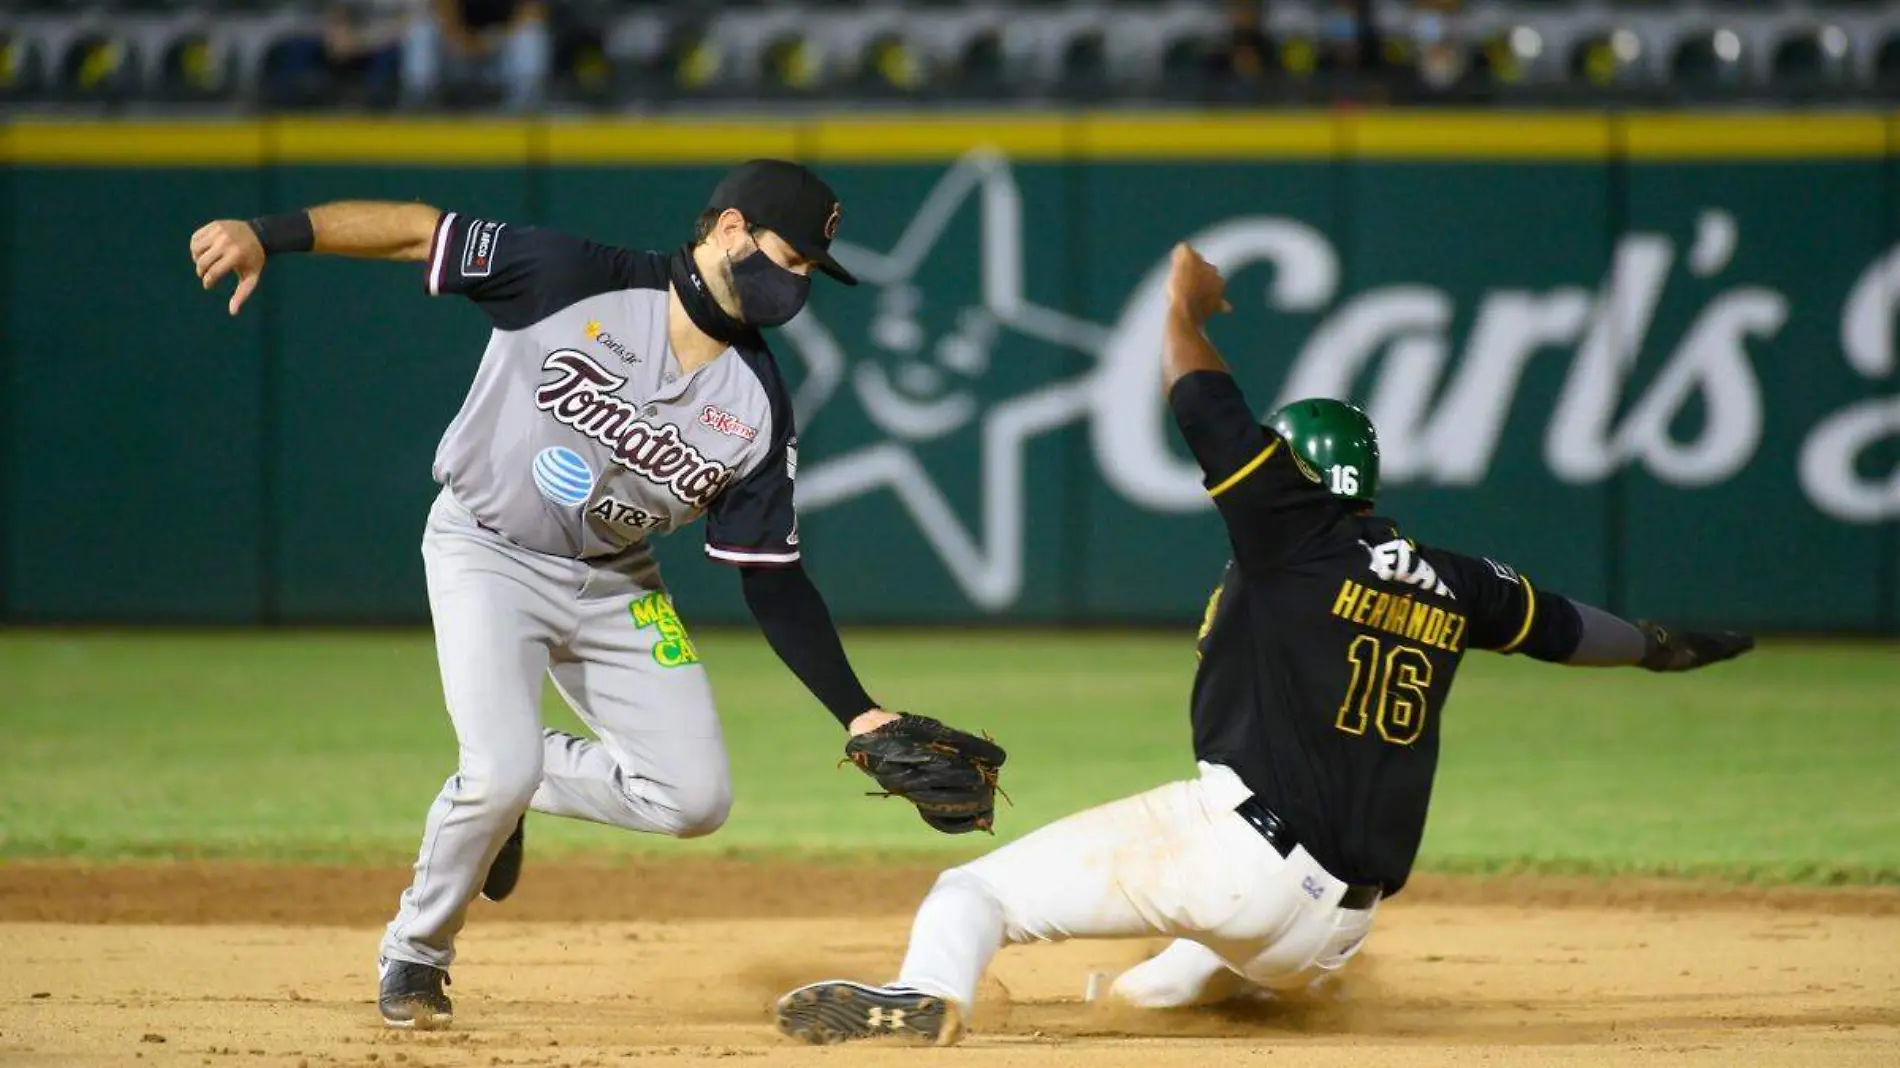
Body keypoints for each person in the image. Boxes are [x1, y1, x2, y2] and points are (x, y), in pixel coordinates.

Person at [772, 244, 1755, 1046]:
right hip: (1334, 928)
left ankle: (926, 994)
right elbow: (1580, 631)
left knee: (969, 893)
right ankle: (1184, 996)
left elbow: (1203, 407)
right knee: (1146, 996)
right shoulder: (1458, 582)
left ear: (1295, 471)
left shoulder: (1292, 532)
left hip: (1236, 850)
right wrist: (1661, 645)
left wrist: (1183, 309)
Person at [188, 160, 1001, 1031]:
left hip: (618, 578)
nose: (797, 280)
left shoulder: (758, 403)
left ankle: (513, 785)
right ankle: (418, 953)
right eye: (790, 256)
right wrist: (268, 234)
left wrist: (858, 712)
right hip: (486, 547)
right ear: (729, 231)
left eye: (810, 270)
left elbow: (771, 576)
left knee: (693, 800)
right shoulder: (576, 277)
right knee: (495, 768)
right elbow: (422, 229)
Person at [402, 0, 550, 112]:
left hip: (501, 58)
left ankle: (525, 104)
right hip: (458, 54)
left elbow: (533, 12)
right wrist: (471, 44)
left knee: (531, 34)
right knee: (421, 30)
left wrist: (494, 40)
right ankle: (420, 99)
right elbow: (444, 14)